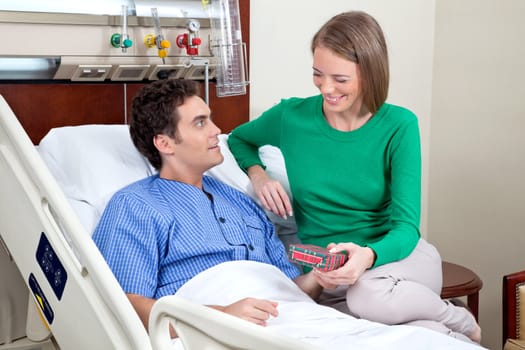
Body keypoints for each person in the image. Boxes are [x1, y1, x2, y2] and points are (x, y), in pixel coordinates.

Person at [227, 10, 481, 344]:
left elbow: (406, 228)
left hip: (398, 262)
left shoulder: (399, 126)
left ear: (370, 73)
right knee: (417, 335)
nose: (326, 88)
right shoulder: (292, 117)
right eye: (318, 75)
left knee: (366, 294)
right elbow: (239, 139)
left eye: (340, 79)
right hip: (333, 275)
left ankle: (459, 319)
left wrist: (369, 256)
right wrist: (259, 175)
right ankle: (445, 330)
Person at [91, 79, 321, 336]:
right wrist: (221, 316)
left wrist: (320, 278)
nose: (216, 130)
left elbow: (289, 289)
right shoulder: (135, 206)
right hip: (211, 332)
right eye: (200, 123)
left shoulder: (243, 203)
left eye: (210, 120)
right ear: (165, 143)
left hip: (291, 320)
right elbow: (125, 307)